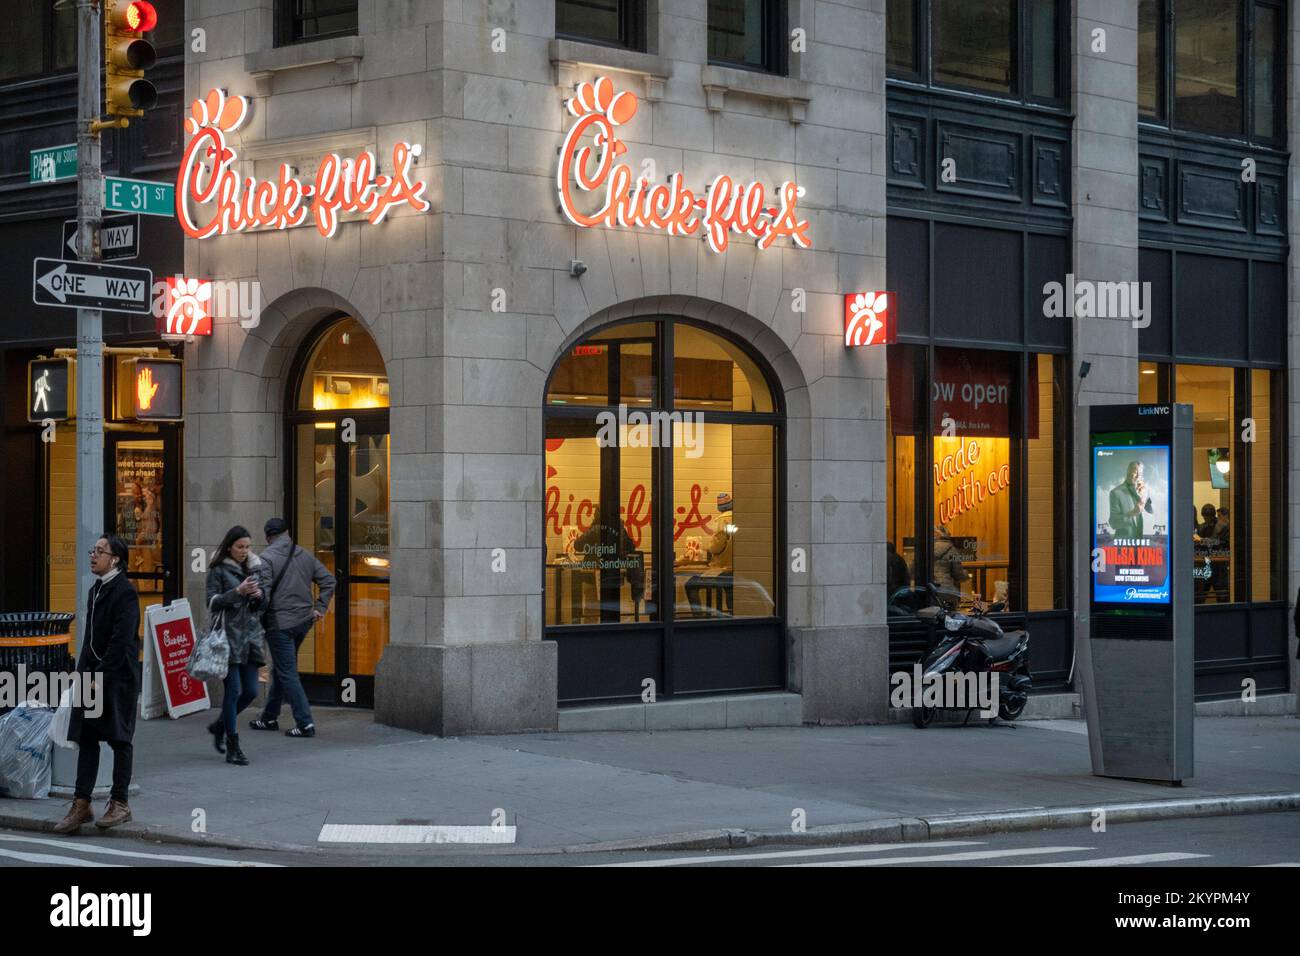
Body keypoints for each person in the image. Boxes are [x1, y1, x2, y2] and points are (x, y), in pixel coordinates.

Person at [54, 535, 141, 834]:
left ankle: (120, 802)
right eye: (93, 550)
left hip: (119, 679)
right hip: (93, 676)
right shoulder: (96, 590)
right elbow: (90, 639)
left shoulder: (125, 593)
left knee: (120, 739)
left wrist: (100, 678)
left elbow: (121, 641)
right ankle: (81, 804)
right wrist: (81, 675)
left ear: (115, 558)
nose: (93, 555)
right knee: (88, 738)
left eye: (100, 551)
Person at [249, 518, 335, 738]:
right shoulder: (304, 554)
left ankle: (305, 723)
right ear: (287, 532)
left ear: (268, 537)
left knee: (287, 672)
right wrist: (320, 607)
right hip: (303, 621)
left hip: (280, 624)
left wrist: (255, 618)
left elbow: (264, 596)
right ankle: (269, 717)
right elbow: (329, 581)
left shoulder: (266, 559)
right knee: (281, 667)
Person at [205, 525, 271, 765]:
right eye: (240, 547)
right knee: (233, 691)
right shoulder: (218, 568)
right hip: (227, 638)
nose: (244, 551)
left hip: (251, 636)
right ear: (229, 546)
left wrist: (259, 596)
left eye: (247, 547)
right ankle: (233, 746)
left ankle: (220, 725)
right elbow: (212, 602)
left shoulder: (255, 567)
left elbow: (265, 603)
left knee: (252, 691)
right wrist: (238, 591)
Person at [685, 493, 735, 615]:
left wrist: (708, 547)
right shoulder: (739, 517)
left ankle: (698, 618)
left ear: (719, 507)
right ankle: (733, 617)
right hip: (734, 568)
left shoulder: (721, 520)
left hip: (721, 568)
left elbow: (716, 547)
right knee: (730, 590)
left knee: (690, 585)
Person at [1108, 460, 1154, 539]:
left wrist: (1144, 495)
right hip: (1122, 546)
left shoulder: (1142, 490)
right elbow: (1113, 523)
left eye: (1140, 474)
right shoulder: (1115, 493)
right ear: (1128, 472)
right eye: (1136, 472)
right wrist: (1132, 513)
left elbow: (1151, 511)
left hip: (1139, 545)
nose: (1138, 476)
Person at [931, 525, 968, 594]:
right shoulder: (951, 549)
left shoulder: (925, 549)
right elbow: (958, 574)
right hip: (946, 590)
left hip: (928, 590)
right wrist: (967, 574)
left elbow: (912, 569)